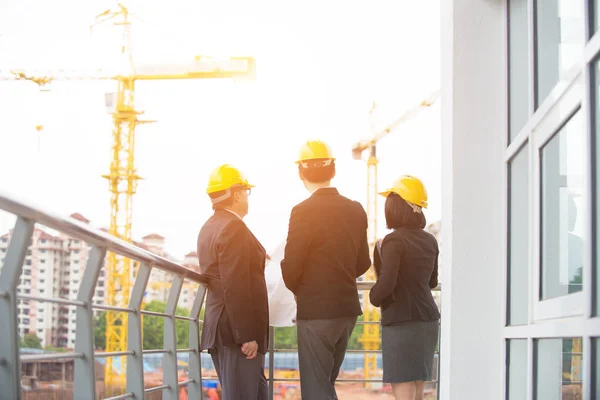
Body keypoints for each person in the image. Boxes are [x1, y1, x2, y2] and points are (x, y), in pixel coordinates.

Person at [281, 140, 371, 399]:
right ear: (333, 170)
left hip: (316, 312)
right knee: (324, 383)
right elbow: (363, 262)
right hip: (346, 310)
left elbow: (292, 268)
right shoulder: (355, 209)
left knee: (316, 389)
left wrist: (303, 285)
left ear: (301, 173)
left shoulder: (302, 211)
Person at [197, 164, 269, 400]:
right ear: (237, 193)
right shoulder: (234, 227)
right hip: (236, 334)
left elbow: (225, 271)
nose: (247, 197)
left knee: (255, 394)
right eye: (246, 191)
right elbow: (235, 283)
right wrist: (246, 335)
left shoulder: (210, 227)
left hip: (223, 327)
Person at [369, 175, 440, 400]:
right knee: (417, 385)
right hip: (427, 320)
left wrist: (373, 296)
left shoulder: (393, 241)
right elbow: (432, 282)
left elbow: (387, 283)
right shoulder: (430, 240)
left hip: (402, 322)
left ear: (396, 208)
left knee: (403, 385)